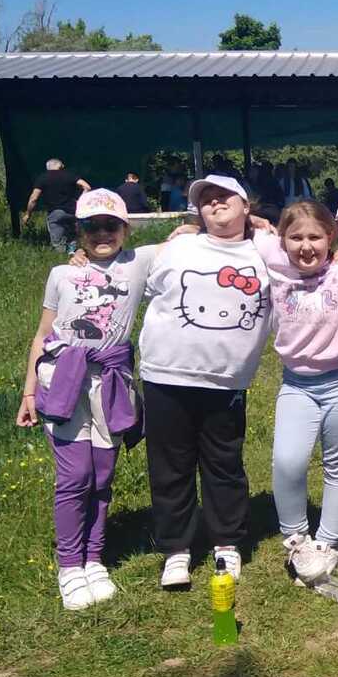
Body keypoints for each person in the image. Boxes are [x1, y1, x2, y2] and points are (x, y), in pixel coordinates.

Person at [15, 189, 156, 610]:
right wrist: (28, 391)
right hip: (64, 382)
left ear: (126, 229)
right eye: (91, 227)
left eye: (111, 226)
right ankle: (69, 565)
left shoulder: (139, 264)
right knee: (75, 475)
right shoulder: (61, 273)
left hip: (111, 383)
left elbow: (188, 236)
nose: (102, 234)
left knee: (102, 476)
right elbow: (42, 334)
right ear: (79, 232)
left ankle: (94, 559)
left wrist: (257, 222)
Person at [139, 174, 270, 589]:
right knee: (170, 466)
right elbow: (128, 273)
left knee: (223, 463)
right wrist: (79, 257)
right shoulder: (178, 246)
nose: (215, 203)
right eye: (206, 199)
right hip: (166, 374)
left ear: (246, 206)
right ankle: (176, 549)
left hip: (226, 380)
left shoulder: (266, 249)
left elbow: (314, 243)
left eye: (224, 196)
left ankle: (226, 543)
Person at [253, 201, 338, 589]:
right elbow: (236, 222)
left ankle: (328, 542)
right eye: (296, 237)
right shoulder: (273, 260)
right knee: (287, 461)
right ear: (281, 240)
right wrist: (189, 228)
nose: (305, 246)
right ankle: (297, 541)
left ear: (331, 236)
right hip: (296, 384)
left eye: (315, 237)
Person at [23, 159, 92, 250]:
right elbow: (87, 187)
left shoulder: (43, 178)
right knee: (72, 240)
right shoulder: (69, 175)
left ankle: (60, 257)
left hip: (55, 213)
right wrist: (80, 201)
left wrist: (28, 214)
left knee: (58, 244)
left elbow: (34, 198)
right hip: (72, 212)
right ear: (60, 166)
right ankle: (72, 254)